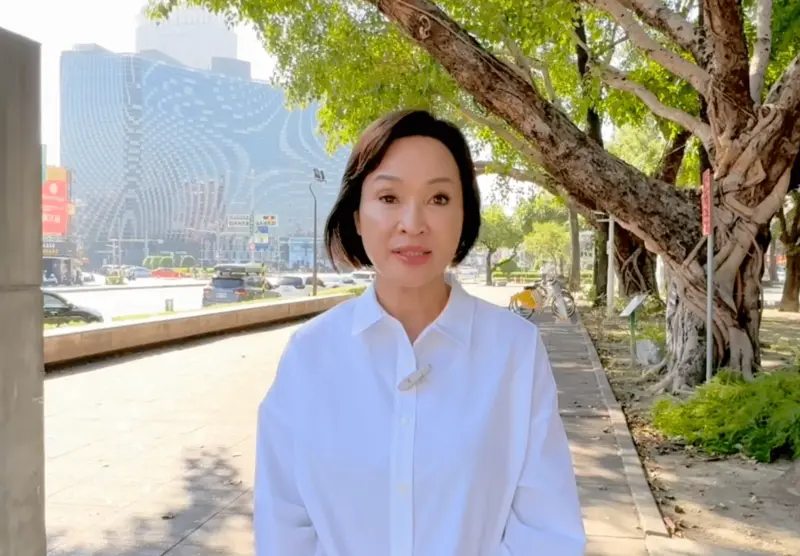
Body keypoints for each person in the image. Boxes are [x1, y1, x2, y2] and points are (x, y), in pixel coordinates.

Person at [254, 109, 586, 555]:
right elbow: (283, 526)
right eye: (389, 197)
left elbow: (546, 530)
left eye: (439, 198)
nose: (412, 223)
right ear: (357, 215)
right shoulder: (309, 355)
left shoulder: (515, 353)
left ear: (464, 214)